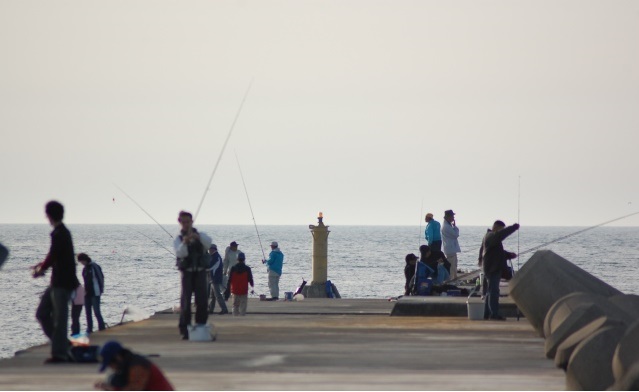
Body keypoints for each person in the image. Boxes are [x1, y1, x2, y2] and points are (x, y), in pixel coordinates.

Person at [33, 200, 80, 363]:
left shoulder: (60, 234)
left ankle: (59, 354)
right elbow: (55, 256)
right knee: (42, 313)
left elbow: (53, 255)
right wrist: (42, 265)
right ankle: (63, 345)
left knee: (60, 318)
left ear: (48, 215)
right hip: (57, 282)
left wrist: (41, 269)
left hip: (63, 284)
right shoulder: (61, 233)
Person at [173, 210, 212, 340]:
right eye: (183, 222)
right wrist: (185, 242)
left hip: (200, 272)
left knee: (202, 300)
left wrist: (197, 238)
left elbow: (208, 243)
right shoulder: (178, 239)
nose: (186, 224)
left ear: (191, 222)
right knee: (185, 301)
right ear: (180, 222)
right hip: (187, 273)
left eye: (188, 221)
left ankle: (201, 326)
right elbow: (180, 253)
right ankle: (185, 329)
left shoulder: (200, 235)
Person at [95, 340, 174, 391]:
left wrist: (113, 389)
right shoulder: (126, 366)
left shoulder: (137, 366)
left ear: (117, 358)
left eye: (110, 364)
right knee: (113, 380)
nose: (111, 368)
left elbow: (135, 389)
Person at [480, 220, 519, 321]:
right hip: (492, 269)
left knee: (490, 292)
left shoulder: (490, 238)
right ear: (496, 227)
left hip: (491, 267)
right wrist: (513, 227)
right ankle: (494, 314)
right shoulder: (491, 236)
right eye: (500, 229)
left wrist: (509, 255)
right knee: (494, 292)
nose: (501, 232)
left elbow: (497, 252)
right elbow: (501, 235)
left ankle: (487, 314)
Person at [78, 253, 106, 333]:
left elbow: (101, 278)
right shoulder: (85, 269)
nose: (81, 263)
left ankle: (101, 327)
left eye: (82, 261)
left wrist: (101, 289)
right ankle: (89, 329)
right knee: (88, 312)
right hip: (87, 293)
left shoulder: (94, 266)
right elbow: (85, 281)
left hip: (95, 292)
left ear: (85, 260)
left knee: (97, 311)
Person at [207, 244, 229, 315]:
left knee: (217, 295)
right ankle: (211, 309)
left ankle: (224, 309)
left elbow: (210, 267)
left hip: (215, 279)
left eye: (209, 249)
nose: (209, 251)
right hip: (213, 278)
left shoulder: (216, 257)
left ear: (213, 249)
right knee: (212, 296)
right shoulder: (214, 256)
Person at [441, 209, 461, 280]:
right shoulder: (446, 226)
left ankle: (454, 279)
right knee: (451, 267)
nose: (453, 218)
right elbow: (456, 235)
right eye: (452, 216)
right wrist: (455, 227)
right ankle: (451, 280)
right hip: (450, 249)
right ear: (448, 216)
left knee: (454, 266)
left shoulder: (448, 225)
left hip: (451, 249)